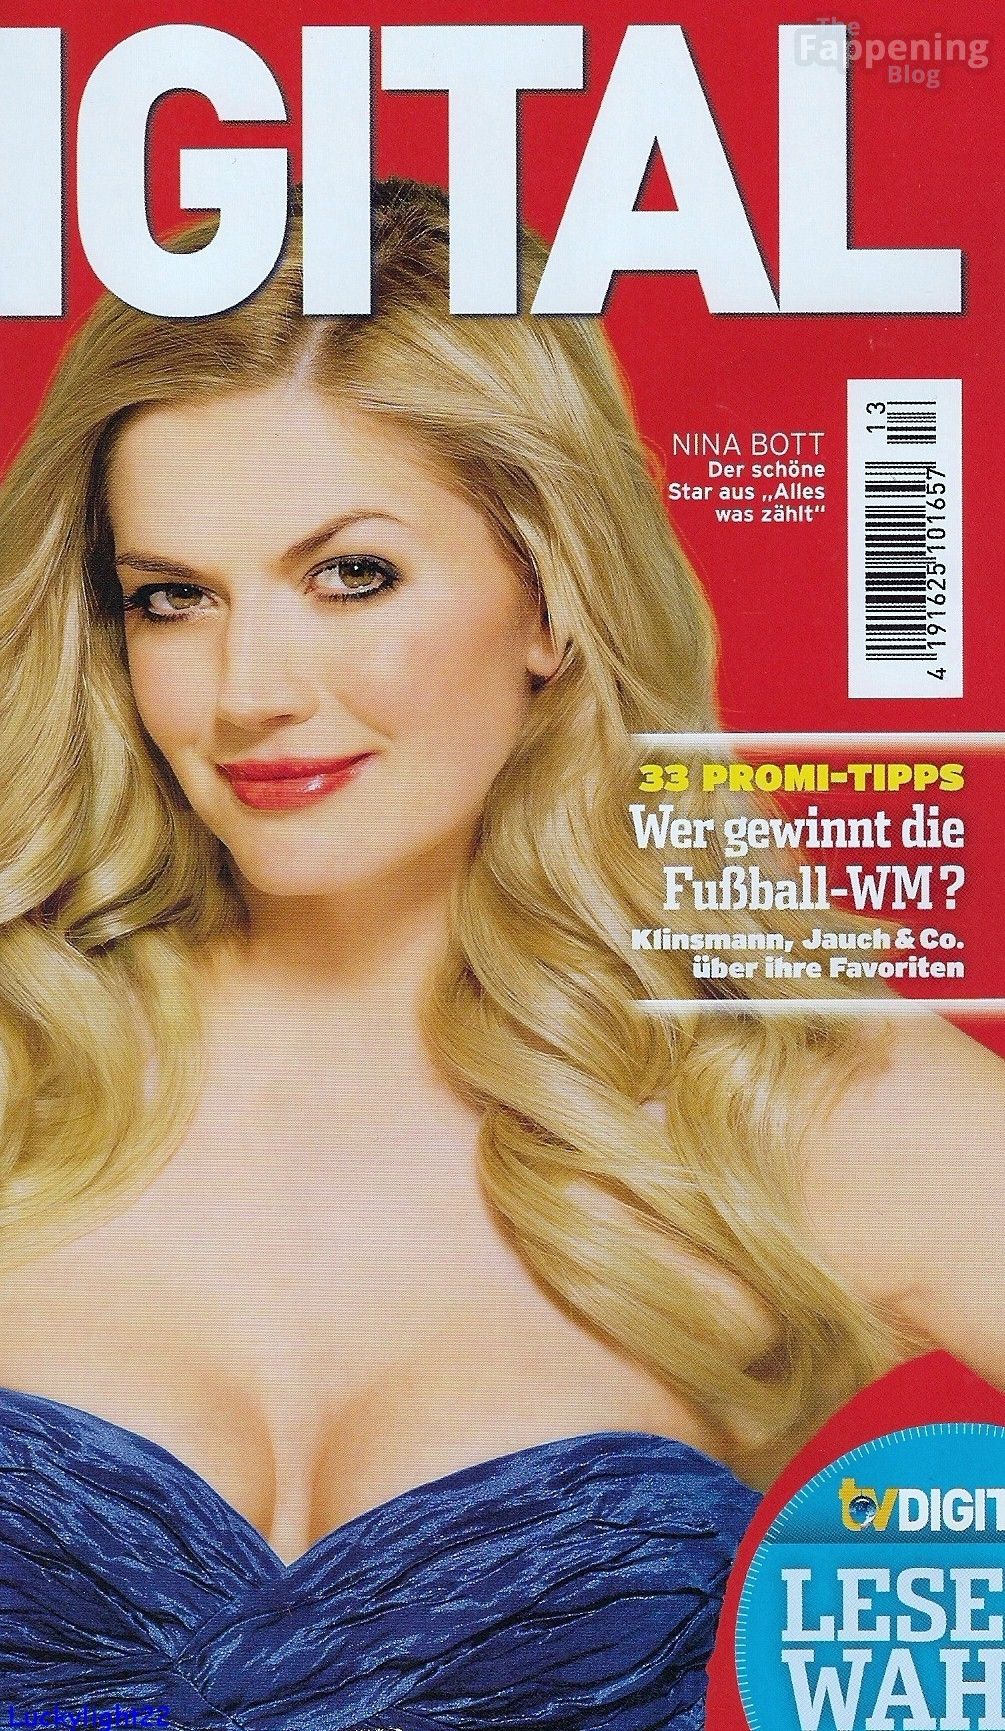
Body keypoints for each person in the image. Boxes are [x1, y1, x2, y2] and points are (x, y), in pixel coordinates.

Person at [0, 178, 999, 1721]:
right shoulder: (23, 1057)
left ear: (549, 597)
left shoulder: (789, 1098)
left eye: (352, 575)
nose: (248, 689)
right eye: (173, 599)